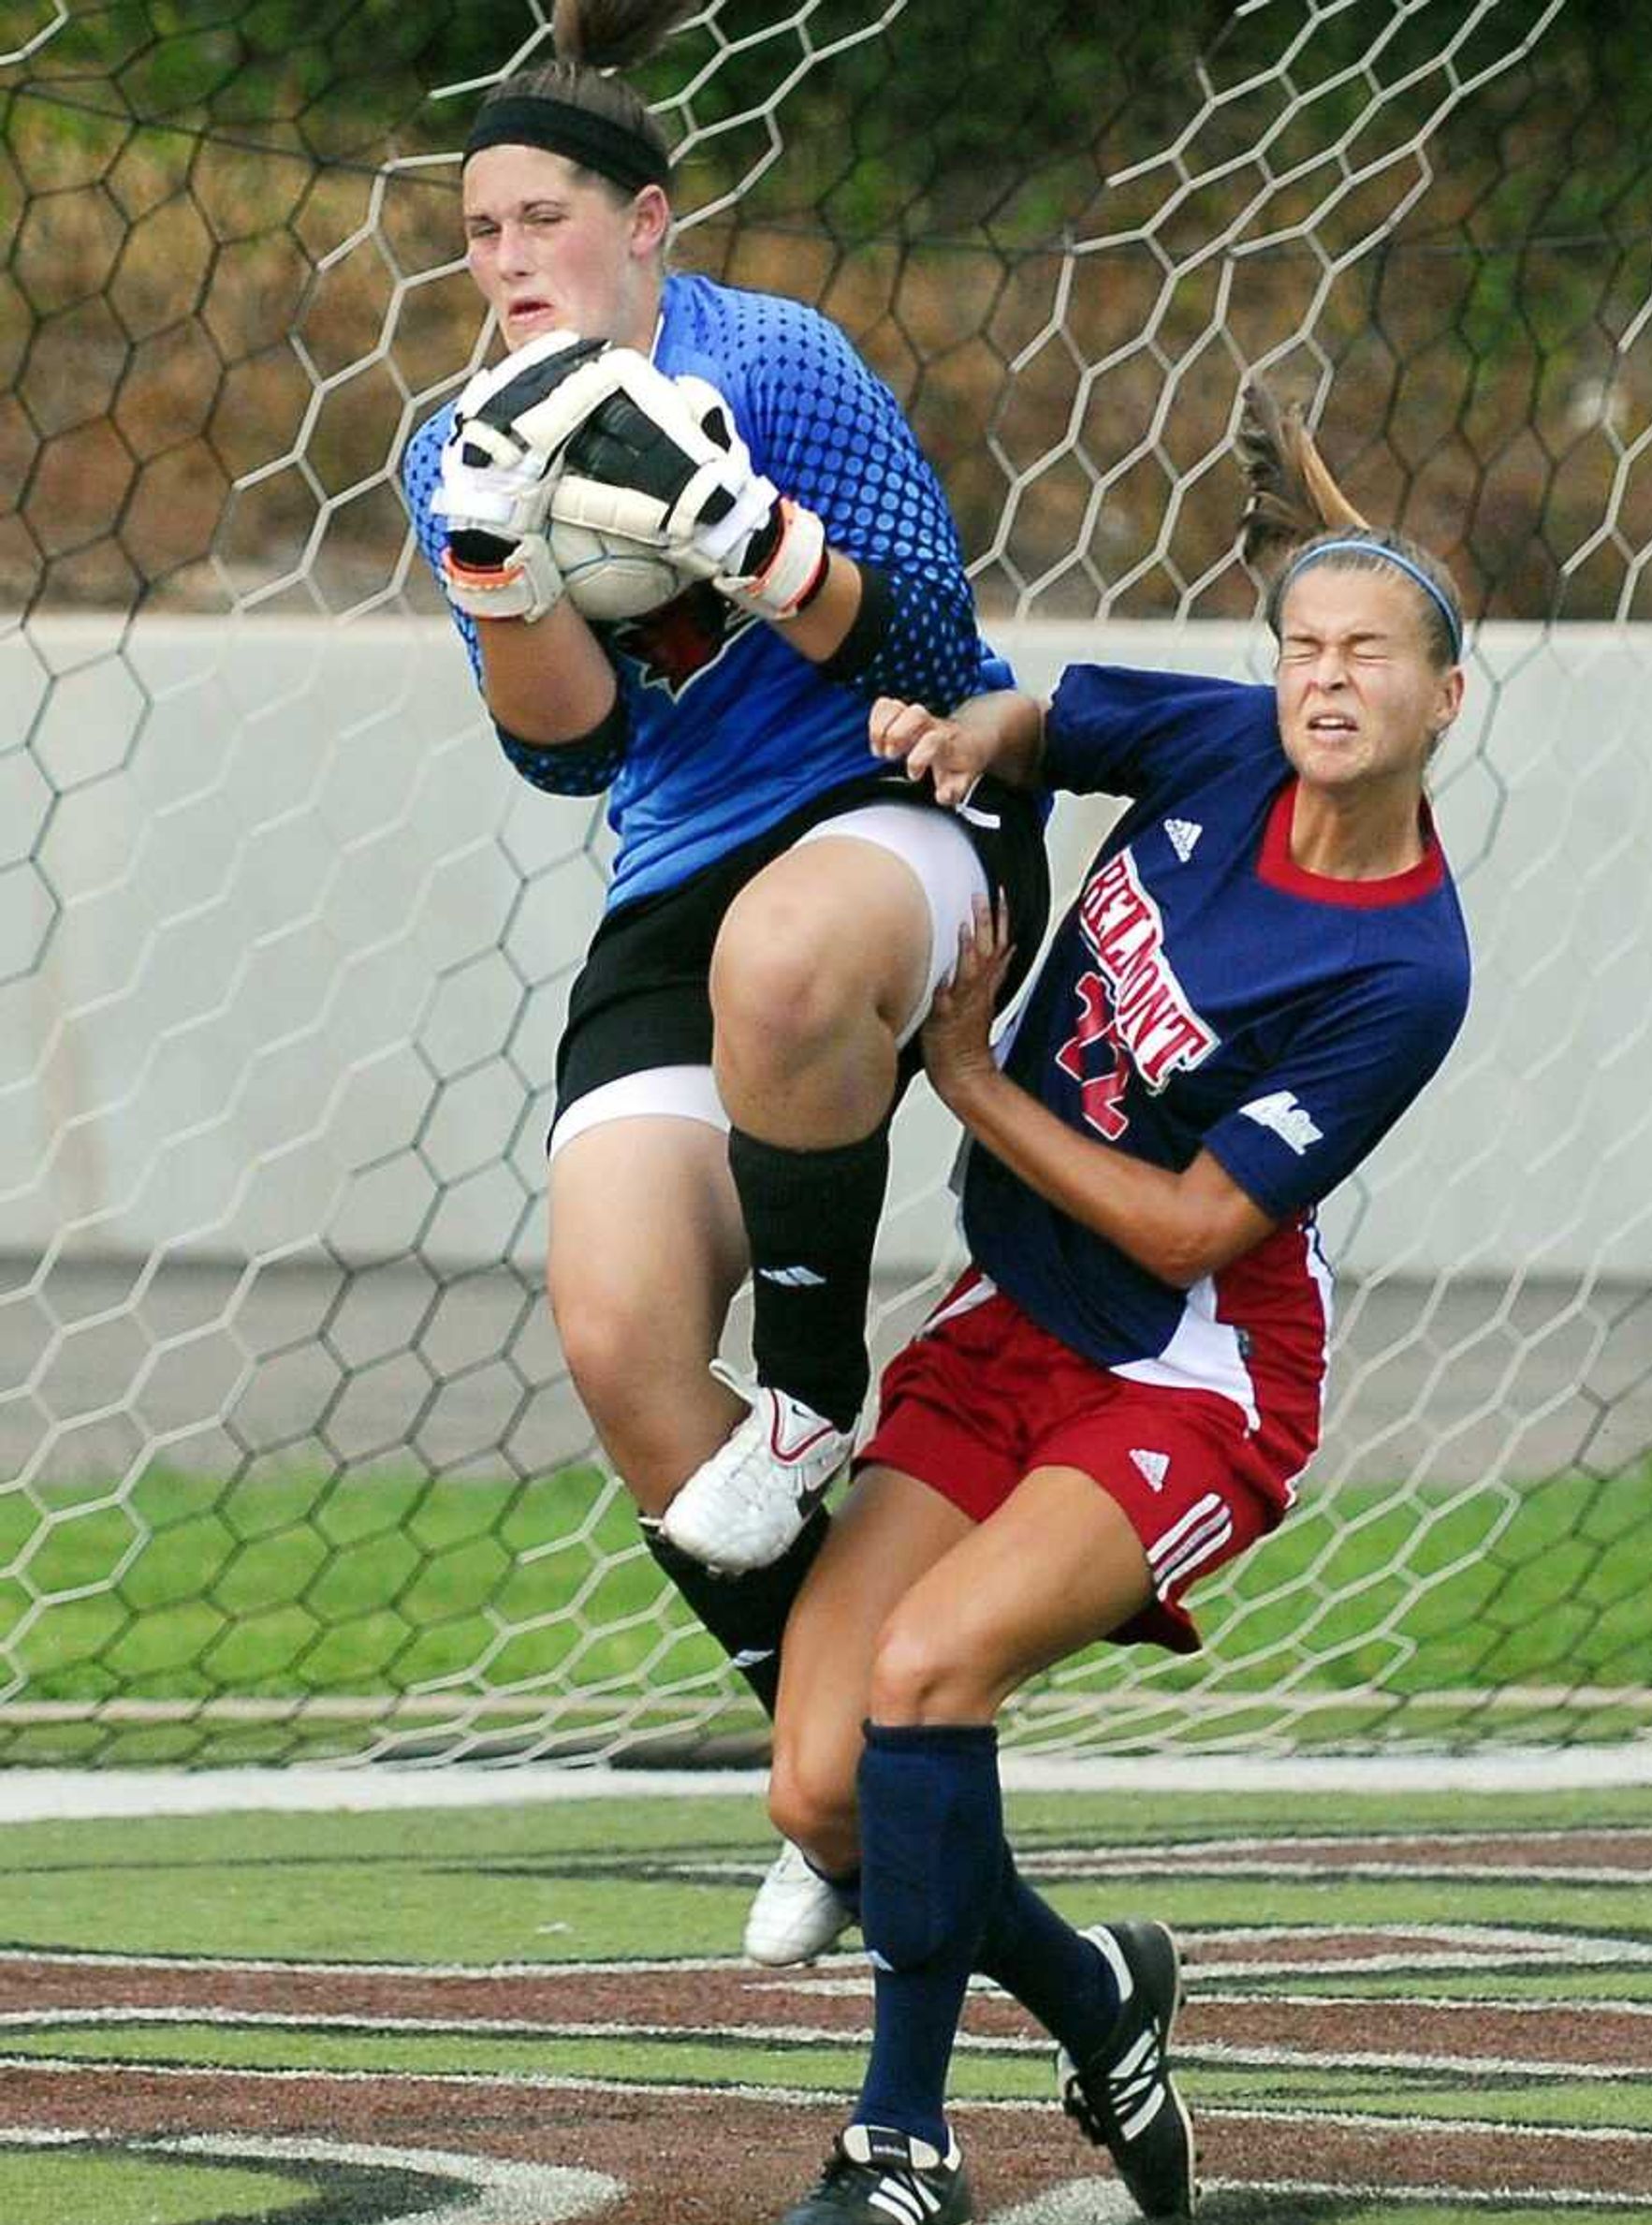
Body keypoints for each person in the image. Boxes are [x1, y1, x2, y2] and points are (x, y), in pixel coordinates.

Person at [755, 383, 1474, 2225]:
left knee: (927, 1671)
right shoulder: (1230, 745)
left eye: (1369, 654)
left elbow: (1190, 1223)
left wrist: (967, 1076)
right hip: (1012, 1318)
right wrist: (952, 733)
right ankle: (1097, 1996)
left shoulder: (1402, 963)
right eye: (1305, 645)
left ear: (1445, 700)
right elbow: (1052, 716)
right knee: (821, 1775)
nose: (1325, 678)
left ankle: (898, 2140)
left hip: (1188, 1369)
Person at [401, 0, 1046, 1964]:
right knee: (611, 1336)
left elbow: (931, 637)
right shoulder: (456, 440)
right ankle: (840, 1771)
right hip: (681, 875)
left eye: (540, 218)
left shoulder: (775, 360)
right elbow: (571, 755)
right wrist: (507, 573)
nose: (504, 259)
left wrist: (744, 537)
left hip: (892, 806)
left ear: (647, 223)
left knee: (782, 961)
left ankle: (819, 1395)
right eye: (478, 231)